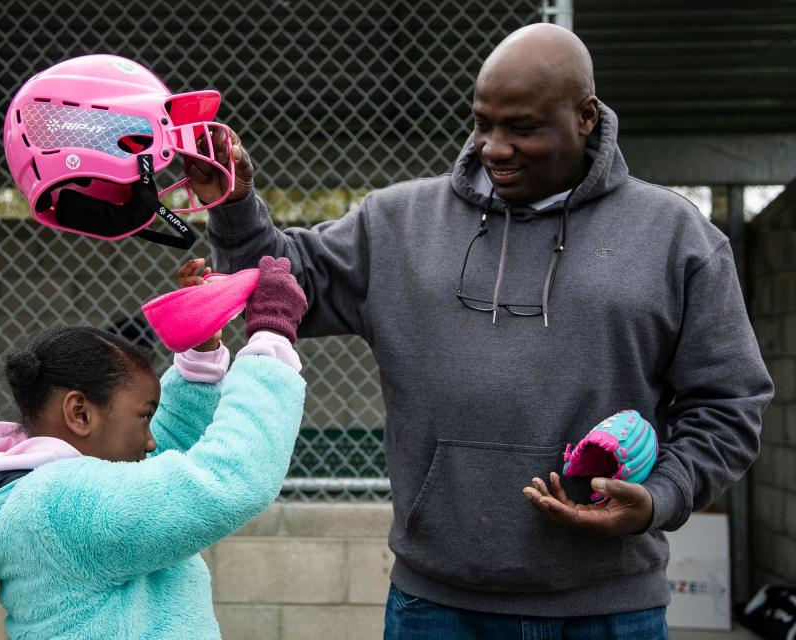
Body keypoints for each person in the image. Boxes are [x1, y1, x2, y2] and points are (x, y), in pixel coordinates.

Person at [184, 23, 774, 640]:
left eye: (521, 127)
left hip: (609, 609)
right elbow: (275, 281)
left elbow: (729, 405)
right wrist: (233, 200)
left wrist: (658, 498)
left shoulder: (675, 238)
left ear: (586, 118)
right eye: (482, 123)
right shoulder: (397, 223)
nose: (494, 147)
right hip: (437, 606)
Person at [0, 256, 309, 640]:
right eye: (144, 417)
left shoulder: (41, 487)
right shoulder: (63, 505)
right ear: (80, 414)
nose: (149, 439)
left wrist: (200, 357)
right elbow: (224, 482)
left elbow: (160, 458)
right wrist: (271, 337)